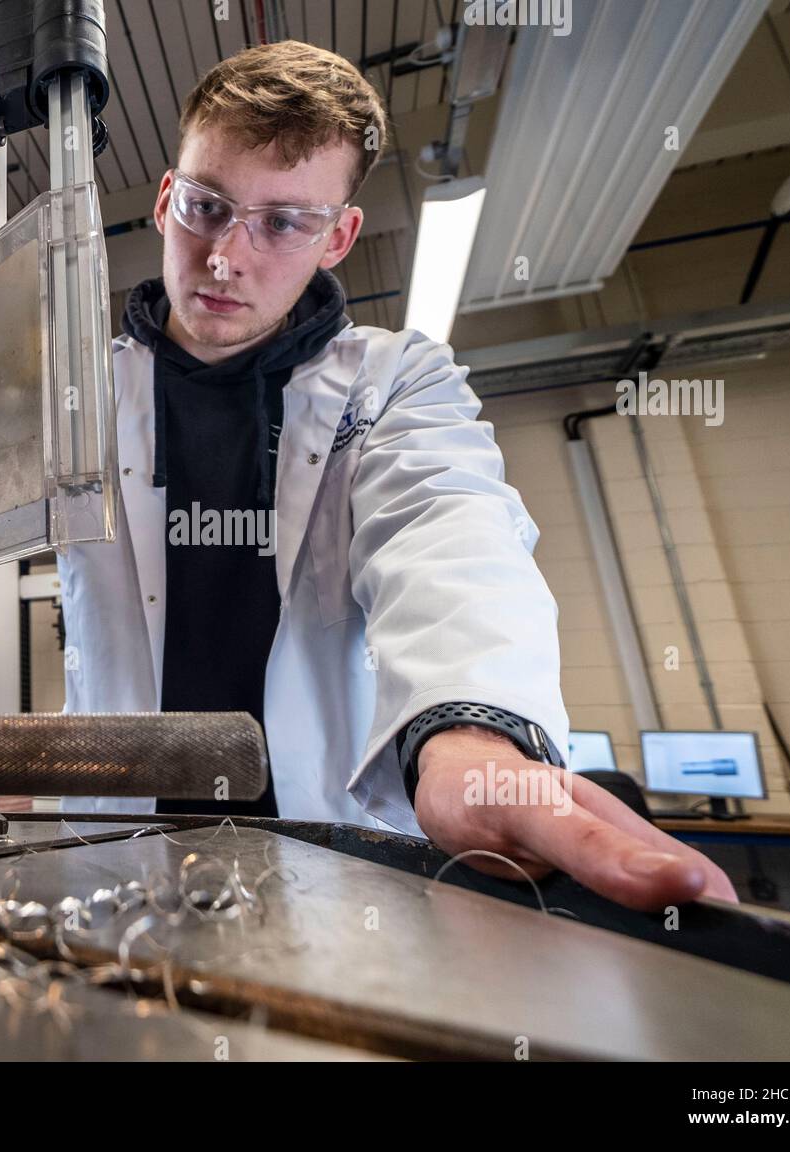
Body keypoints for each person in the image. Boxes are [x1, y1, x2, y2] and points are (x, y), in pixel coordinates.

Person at [57, 40, 736, 913]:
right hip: (116, 852)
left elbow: (445, 531)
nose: (226, 256)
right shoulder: (71, 398)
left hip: (328, 860)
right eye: (207, 206)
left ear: (339, 236)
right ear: (164, 199)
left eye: (283, 222)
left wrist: (472, 733)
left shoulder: (393, 384)